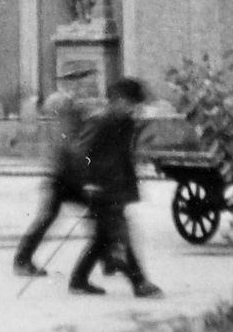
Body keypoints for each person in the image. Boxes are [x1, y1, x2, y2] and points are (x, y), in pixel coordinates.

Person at [67, 77, 162, 298]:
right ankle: (139, 282)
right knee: (121, 234)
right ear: (118, 101)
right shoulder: (102, 121)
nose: (134, 108)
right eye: (131, 103)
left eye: (136, 105)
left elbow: (124, 156)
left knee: (103, 238)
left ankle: (78, 280)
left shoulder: (126, 122)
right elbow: (82, 154)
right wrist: (88, 181)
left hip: (116, 187)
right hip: (101, 188)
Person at [12, 88, 89, 277]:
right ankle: (22, 260)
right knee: (48, 218)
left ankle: (22, 259)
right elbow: (68, 148)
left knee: (48, 218)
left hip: (61, 175)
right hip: (62, 176)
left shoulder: (57, 122)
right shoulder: (61, 123)